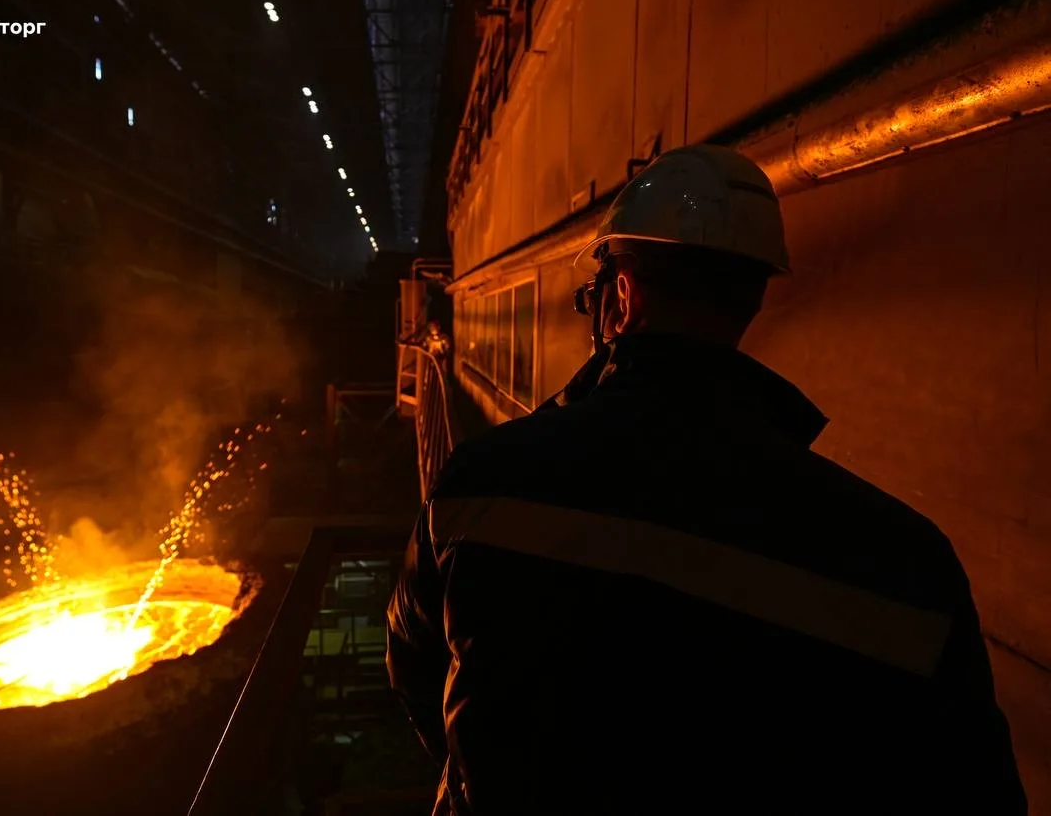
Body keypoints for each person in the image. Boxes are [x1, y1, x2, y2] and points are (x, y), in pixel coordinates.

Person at [385, 144, 1026, 815]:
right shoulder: (908, 562)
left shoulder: (481, 483)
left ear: (622, 294)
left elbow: (415, 662)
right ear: (752, 298)